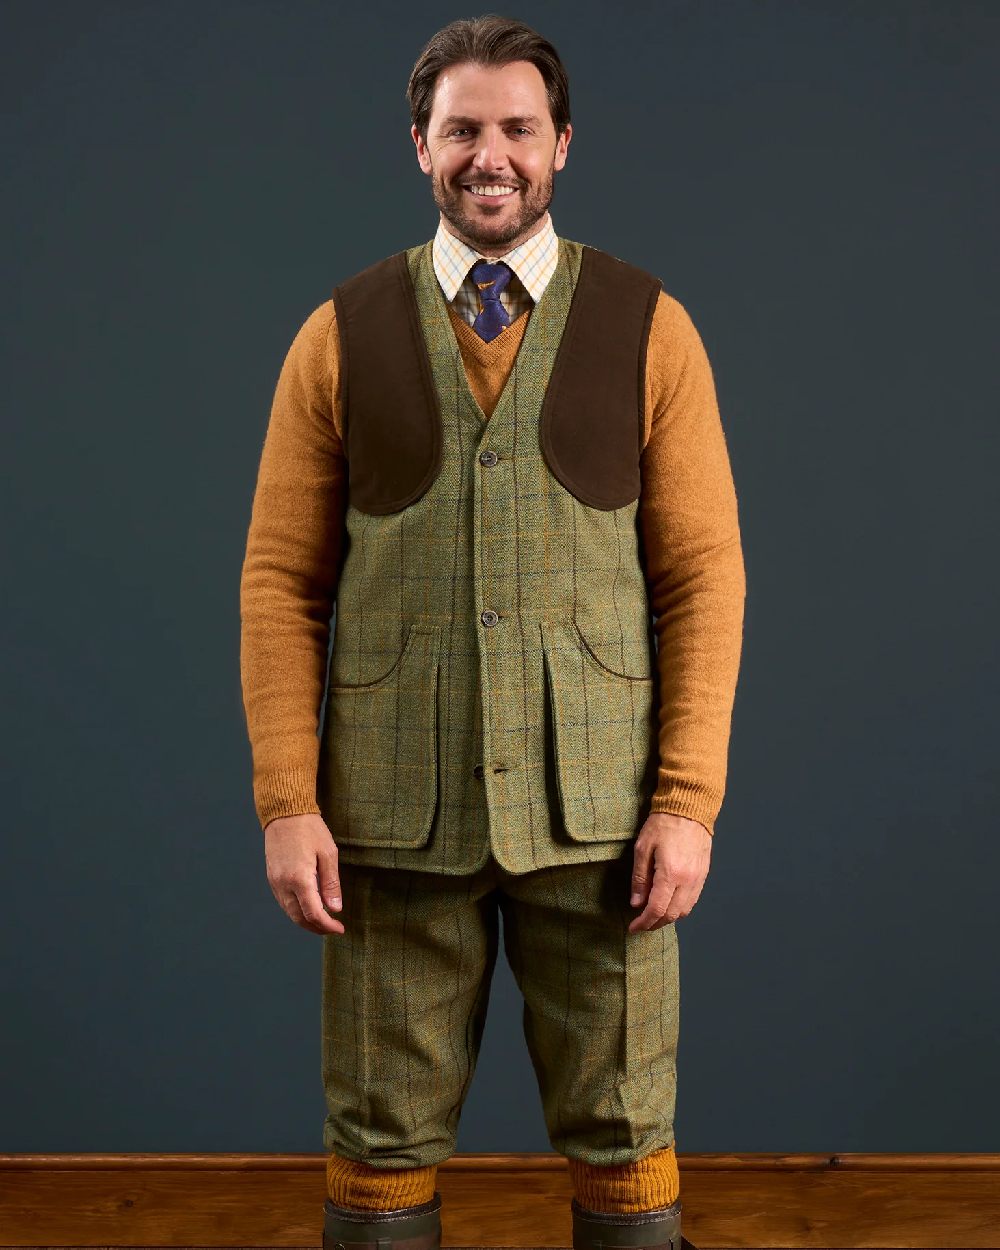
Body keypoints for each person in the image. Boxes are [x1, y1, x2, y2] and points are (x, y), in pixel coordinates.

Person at [239, 15, 746, 1250]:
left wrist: (686, 800)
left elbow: (702, 574)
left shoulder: (649, 326)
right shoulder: (337, 334)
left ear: (561, 145)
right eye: (461, 127)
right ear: (419, 144)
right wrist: (285, 798)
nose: (490, 154)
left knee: (628, 1135)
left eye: (518, 127)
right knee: (377, 1139)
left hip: (604, 827)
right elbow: (278, 582)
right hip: (388, 827)